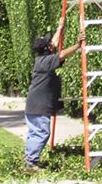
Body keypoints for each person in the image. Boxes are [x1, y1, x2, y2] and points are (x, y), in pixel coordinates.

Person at [24, 18, 84, 172]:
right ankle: (31, 162)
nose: (52, 43)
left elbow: (54, 45)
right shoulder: (46, 61)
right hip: (39, 106)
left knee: (35, 133)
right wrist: (78, 45)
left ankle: (30, 159)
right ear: (47, 49)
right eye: (49, 43)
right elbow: (62, 54)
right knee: (42, 132)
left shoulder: (42, 59)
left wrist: (60, 27)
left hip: (33, 105)